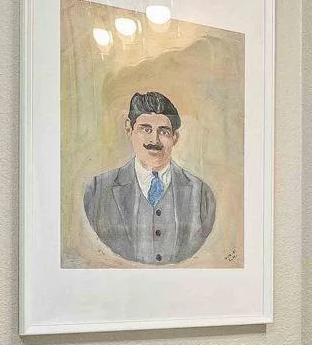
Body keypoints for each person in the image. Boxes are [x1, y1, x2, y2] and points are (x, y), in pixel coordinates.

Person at [82, 91, 218, 265]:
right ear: (129, 130)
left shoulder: (202, 195)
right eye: (145, 129)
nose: (154, 140)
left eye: (164, 132)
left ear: (174, 138)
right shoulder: (97, 191)